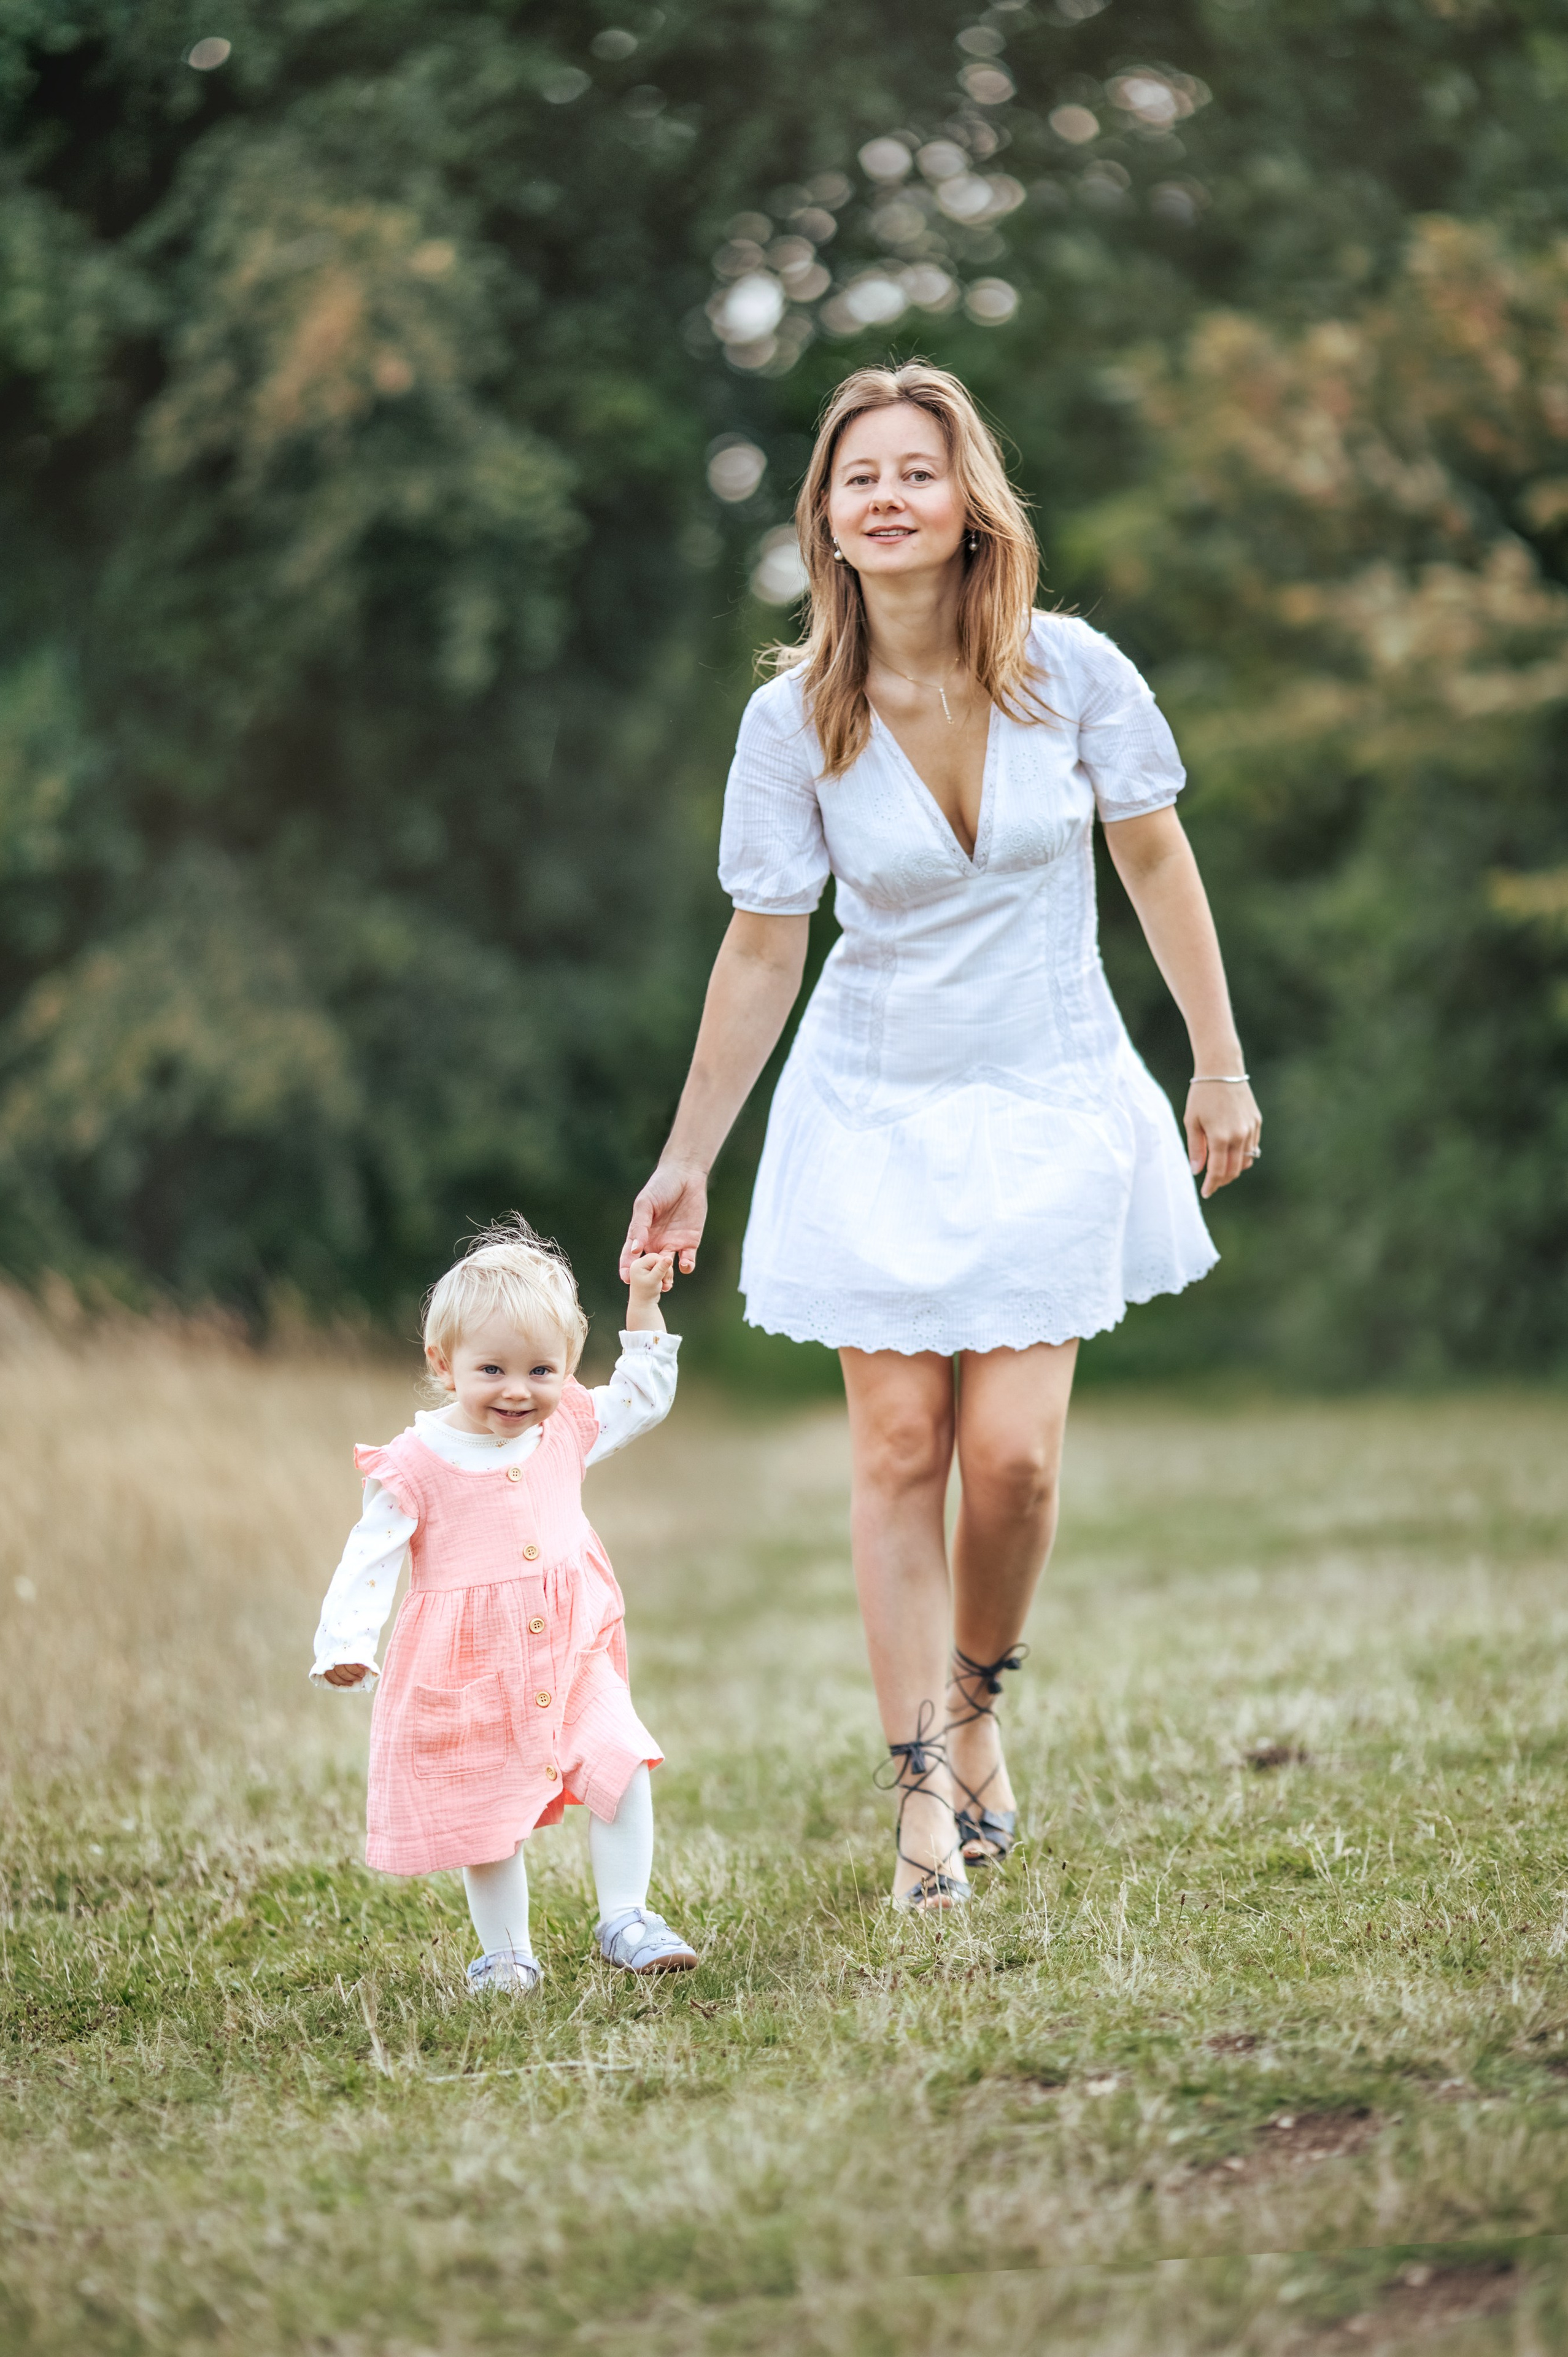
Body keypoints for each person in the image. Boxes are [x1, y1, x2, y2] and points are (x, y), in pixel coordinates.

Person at [622, 363, 1261, 1911]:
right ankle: (919, 1786)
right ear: (825, 523)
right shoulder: (792, 721)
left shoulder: (1074, 671)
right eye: (859, 479)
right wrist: (687, 1153)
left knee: (1018, 1463)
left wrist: (1216, 1063)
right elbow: (763, 946)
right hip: (870, 1101)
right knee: (899, 1449)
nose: (888, 496)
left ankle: (976, 1700)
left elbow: (1157, 861)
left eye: (917, 469)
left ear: (969, 498)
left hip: (1049, 1090)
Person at [311, 1217, 698, 1988]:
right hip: (472, 1666)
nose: (518, 1391)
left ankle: (625, 1916)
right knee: (485, 1814)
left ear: (566, 1369)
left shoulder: (566, 1429)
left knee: (622, 1761)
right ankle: (506, 1953)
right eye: (491, 1369)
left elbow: (643, 1395)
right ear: (443, 1364)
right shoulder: (415, 1463)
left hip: (574, 1647)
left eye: (542, 1371)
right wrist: (346, 1643)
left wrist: (644, 1307)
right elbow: (371, 1556)